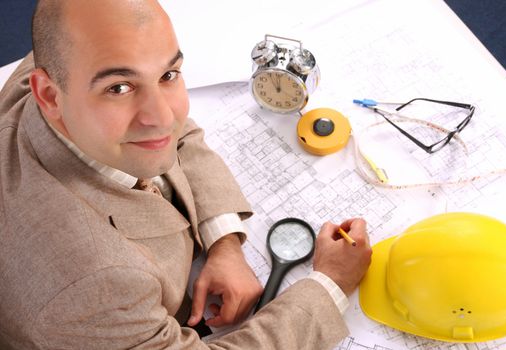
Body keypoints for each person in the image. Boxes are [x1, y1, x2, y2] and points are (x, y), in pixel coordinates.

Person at [0, 0, 372, 349]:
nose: (163, 116)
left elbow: (177, 136)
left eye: (168, 74)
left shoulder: (67, 64)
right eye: (119, 87)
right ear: (47, 95)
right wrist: (330, 283)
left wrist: (225, 243)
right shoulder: (93, 287)